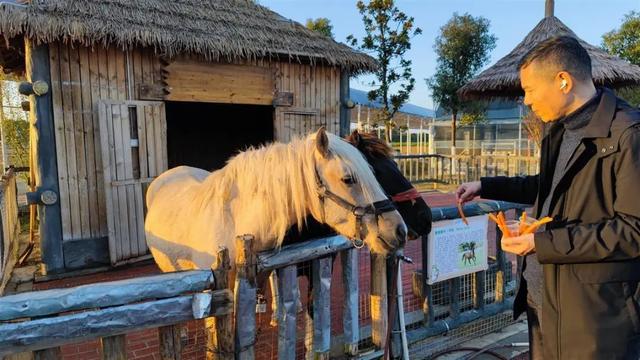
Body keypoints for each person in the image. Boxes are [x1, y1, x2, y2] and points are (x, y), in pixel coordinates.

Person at [456, 36, 640, 359]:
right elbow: (548, 186)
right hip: (543, 307)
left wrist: (540, 243)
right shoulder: (558, 130)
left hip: (595, 322)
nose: (526, 100)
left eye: (529, 89)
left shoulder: (628, 134)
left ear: (563, 81)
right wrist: (486, 185)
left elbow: (633, 232)